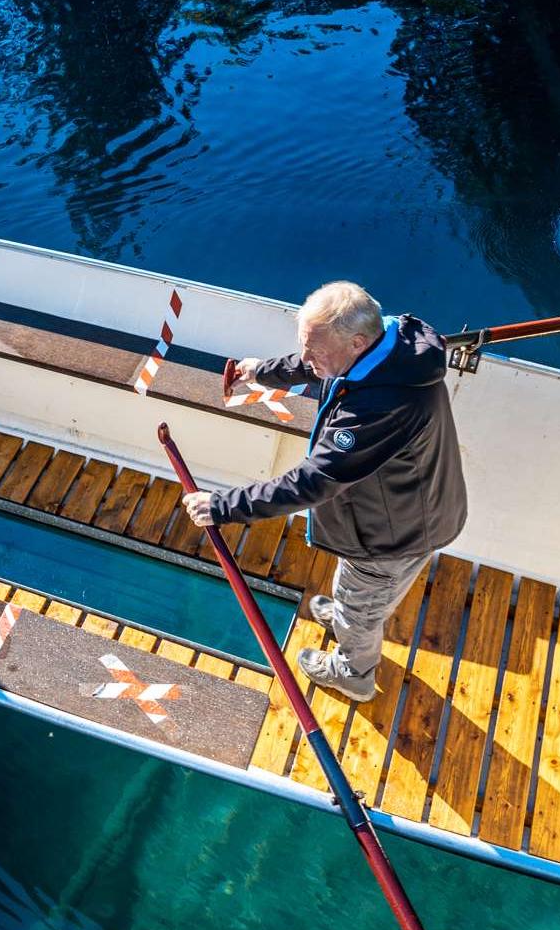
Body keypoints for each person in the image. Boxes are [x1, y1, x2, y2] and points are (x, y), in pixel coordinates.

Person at [179, 282, 468, 702]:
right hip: (405, 506)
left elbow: (315, 480)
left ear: (356, 342)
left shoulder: (381, 405)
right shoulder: (386, 345)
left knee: (364, 604)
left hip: (392, 533)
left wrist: (222, 506)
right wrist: (258, 371)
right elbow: (311, 366)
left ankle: (354, 672)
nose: (309, 360)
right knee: (358, 592)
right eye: (306, 347)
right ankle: (350, 613)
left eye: (316, 351)